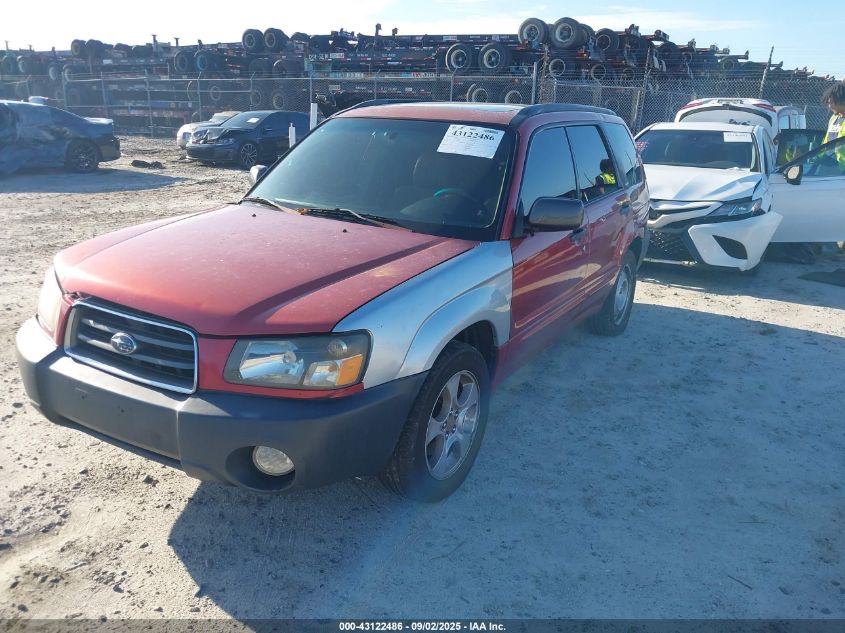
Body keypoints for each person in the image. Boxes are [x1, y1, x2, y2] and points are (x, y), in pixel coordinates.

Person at [821, 81, 845, 171]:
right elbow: (827, 141)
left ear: (842, 101)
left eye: (831, 103)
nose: (829, 106)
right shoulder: (833, 118)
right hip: (829, 164)